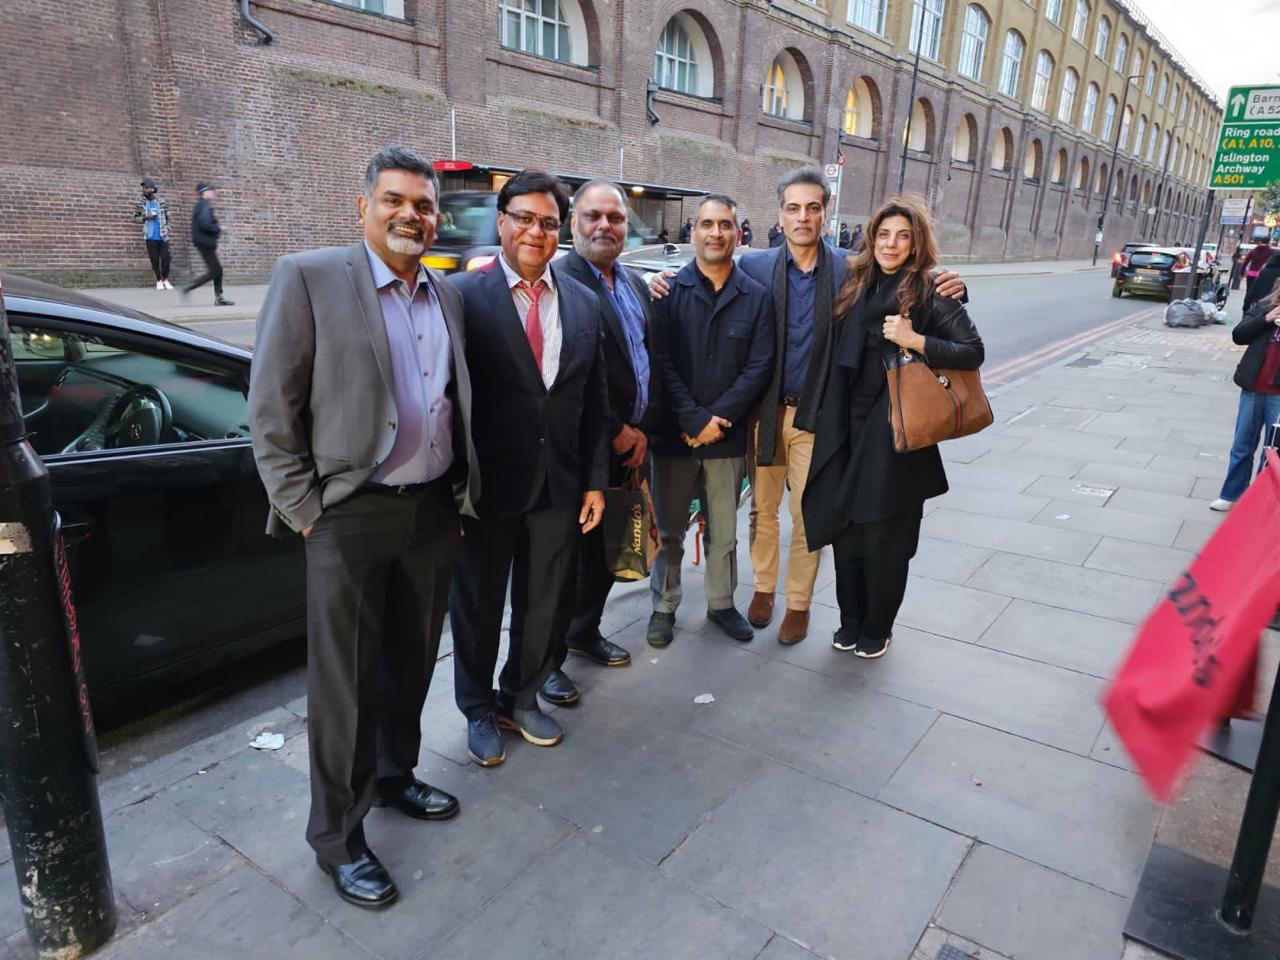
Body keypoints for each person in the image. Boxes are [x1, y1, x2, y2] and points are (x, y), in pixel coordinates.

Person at [248, 146, 479, 910]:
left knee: (410, 663)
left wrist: (458, 496)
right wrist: (307, 513)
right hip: (349, 514)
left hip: (432, 510)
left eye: (424, 205)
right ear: (364, 207)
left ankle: (393, 776)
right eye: (395, 200)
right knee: (344, 685)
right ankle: (338, 839)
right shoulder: (309, 278)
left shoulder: (446, 295)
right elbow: (271, 411)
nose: (411, 215)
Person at [447, 170, 609, 767]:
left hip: (558, 483)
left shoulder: (583, 302)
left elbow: (595, 401)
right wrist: (449, 491)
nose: (535, 232)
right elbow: (445, 400)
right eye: (523, 219)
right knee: (478, 606)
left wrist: (595, 480)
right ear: (502, 222)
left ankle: (519, 695)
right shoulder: (463, 297)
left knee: (544, 602)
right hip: (486, 488)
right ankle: (477, 707)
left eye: (547, 222)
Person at [803, 194, 984, 659]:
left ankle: (877, 627)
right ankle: (850, 621)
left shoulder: (928, 289)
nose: (891, 243)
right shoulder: (854, 282)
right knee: (846, 532)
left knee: (885, 537)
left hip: (895, 431)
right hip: (847, 423)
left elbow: (972, 351)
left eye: (903, 236)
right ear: (871, 238)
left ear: (916, 243)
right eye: (883, 234)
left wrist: (915, 339)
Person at [543, 180, 660, 705]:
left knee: (612, 555)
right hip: (583, 452)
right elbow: (570, 375)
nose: (605, 227)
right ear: (574, 224)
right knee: (565, 563)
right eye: (593, 216)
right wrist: (615, 429)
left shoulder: (634, 282)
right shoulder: (562, 282)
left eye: (615, 218)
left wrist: (643, 430)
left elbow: (645, 357)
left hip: (632, 452)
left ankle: (583, 631)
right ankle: (545, 662)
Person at [646, 195, 774, 647]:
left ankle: (721, 603)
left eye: (725, 224)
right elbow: (661, 362)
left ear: (737, 233)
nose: (716, 232)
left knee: (724, 531)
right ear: (693, 231)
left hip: (726, 436)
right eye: (707, 224)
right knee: (669, 531)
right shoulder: (667, 292)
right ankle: (664, 606)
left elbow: (759, 367)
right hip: (675, 436)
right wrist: (692, 418)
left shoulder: (756, 298)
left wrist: (717, 420)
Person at [1209, 288, 1280, 512]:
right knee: (1242, 444)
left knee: (1273, 451)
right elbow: (1239, 335)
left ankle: (1261, 502)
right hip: (1253, 387)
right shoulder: (1265, 306)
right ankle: (1231, 494)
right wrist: (1267, 318)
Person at [182, 182, 233, 305]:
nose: (213, 193)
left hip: (203, 242)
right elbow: (204, 223)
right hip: (205, 242)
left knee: (217, 270)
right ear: (204, 193)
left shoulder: (201, 205)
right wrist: (219, 228)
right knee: (215, 271)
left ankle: (218, 297)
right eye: (211, 191)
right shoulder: (204, 206)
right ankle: (189, 288)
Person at [132, 178, 172, 289]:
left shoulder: (162, 202)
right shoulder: (141, 203)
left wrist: (167, 228)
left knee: (166, 259)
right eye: (144, 188)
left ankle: (165, 279)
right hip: (150, 236)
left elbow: (169, 217)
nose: (145, 190)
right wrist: (146, 217)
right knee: (154, 260)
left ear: (153, 189)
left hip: (162, 235)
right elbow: (134, 218)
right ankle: (159, 280)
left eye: (146, 188)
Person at [1243, 245, 1280, 315]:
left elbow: (1252, 290)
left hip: (1259, 305)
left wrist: (1246, 307)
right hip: (1273, 309)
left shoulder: (1265, 271)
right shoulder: (1269, 251)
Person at [1243, 241, 1274, 306]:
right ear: (1268, 242)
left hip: (1251, 273)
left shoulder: (1253, 251)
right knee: (1259, 291)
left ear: (1260, 242)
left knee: (1249, 291)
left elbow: (1246, 262)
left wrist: (1241, 272)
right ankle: (1255, 305)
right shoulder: (1270, 251)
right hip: (1262, 274)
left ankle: (1246, 305)